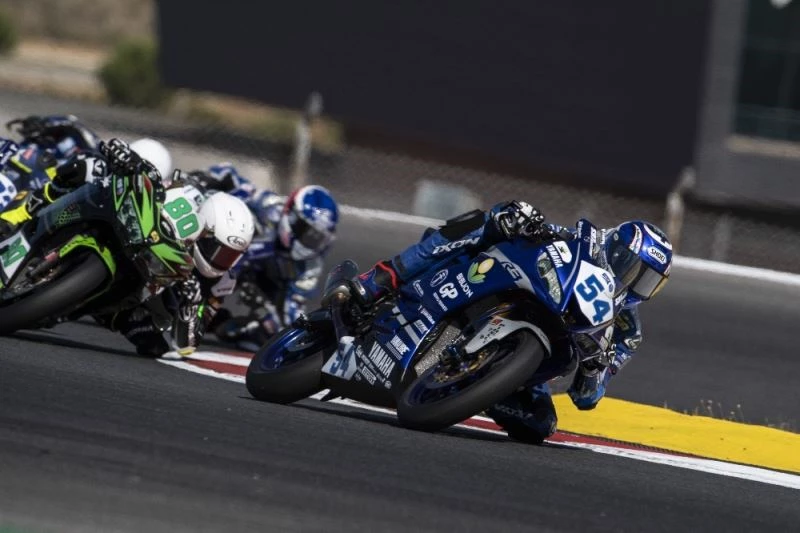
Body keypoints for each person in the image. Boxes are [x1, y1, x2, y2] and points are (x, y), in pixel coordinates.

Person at [349, 201, 673, 444]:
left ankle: (481, 387)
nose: (634, 283)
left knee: (540, 425)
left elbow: (587, 397)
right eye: (632, 268)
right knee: (486, 220)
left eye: (647, 282)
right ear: (615, 250)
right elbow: (537, 227)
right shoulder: (581, 242)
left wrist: (593, 369)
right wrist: (518, 219)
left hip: (537, 358)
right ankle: (382, 277)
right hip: (508, 287)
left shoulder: (627, 333)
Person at [0, 137, 255, 357]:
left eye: (231, 256)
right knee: (91, 166)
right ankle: (20, 213)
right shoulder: (187, 195)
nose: (221, 260)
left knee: (153, 343)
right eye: (218, 250)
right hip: (133, 239)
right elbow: (151, 186)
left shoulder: (220, 283)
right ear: (205, 229)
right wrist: (127, 161)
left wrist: (190, 305)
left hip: (134, 296)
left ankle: (65, 306)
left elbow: (186, 345)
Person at [186, 163, 339, 351]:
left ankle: (220, 322)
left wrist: (262, 308)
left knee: (280, 337)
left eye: (317, 238)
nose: (309, 243)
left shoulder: (310, 266)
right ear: (291, 216)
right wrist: (202, 180)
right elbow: (227, 172)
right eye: (306, 232)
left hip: (256, 284)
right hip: (221, 254)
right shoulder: (267, 207)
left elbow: (292, 317)